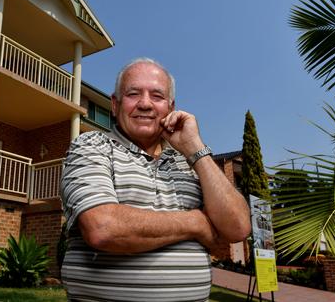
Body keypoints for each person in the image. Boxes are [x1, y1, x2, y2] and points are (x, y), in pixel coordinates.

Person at [60, 58, 251, 301]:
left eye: (157, 96)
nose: (145, 104)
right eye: (133, 94)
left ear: (171, 108)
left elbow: (238, 227)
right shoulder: (90, 146)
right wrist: (198, 223)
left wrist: (196, 149)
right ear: (115, 104)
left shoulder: (189, 164)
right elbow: (103, 228)